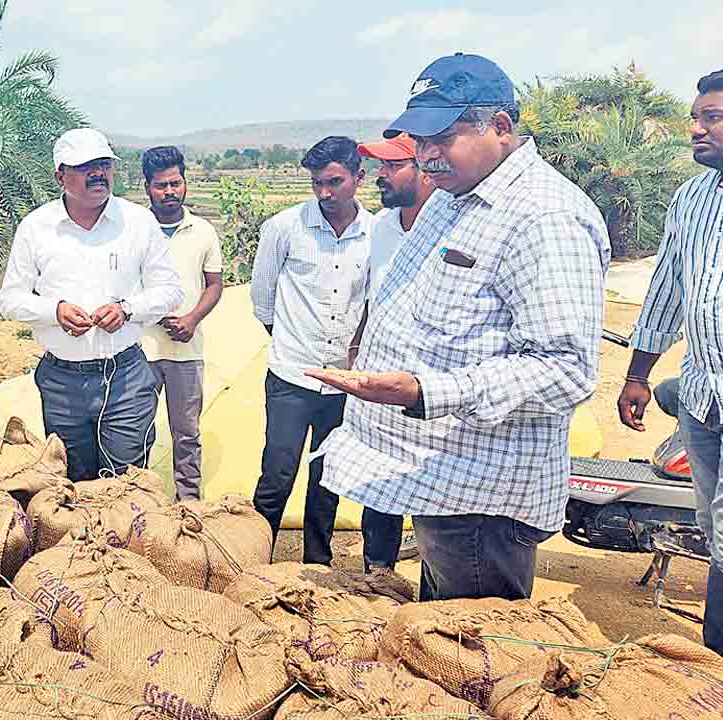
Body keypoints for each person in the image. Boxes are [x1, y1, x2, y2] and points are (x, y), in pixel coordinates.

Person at [309, 53, 610, 602]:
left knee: (474, 653)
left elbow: (565, 370)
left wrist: (429, 391)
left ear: (499, 127)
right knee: (438, 635)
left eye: (441, 139)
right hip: (437, 477)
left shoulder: (543, 217)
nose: (427, 157)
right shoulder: (454, 197)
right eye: (419, 142)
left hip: (480, 494)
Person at [250, 136, 401, 571]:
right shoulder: (284, 228)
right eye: (317, 183)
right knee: (277, 474)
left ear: (359, 177)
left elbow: (376, 300)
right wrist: (295, 345)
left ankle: (317, 561)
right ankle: (256, 559)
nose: (325, 193)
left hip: (346, 383)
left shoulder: (378, 234)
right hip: (291, 378)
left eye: (334, 181)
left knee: (327, 478)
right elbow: (263, 301)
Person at [0, 128, 183, 482]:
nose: (98, 173)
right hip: (62, 382)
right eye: (85, 167)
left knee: (126, 482)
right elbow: (10, 299)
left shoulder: (138, 222)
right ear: (59, 176)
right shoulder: (37, 228)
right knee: (73, 482)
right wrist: (55, 311)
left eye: (103, 164)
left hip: (126, 376)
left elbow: (170, 291)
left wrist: (128, 309)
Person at [617, 68, 723, 654]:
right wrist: (637, 373)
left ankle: (713, 653)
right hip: (703, 398)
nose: (695, 128)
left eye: (712, 118)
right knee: (712, 528)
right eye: (696, 116)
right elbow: (666, 291)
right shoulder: (692, 198)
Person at [139, 145, 224, 501]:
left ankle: (188, 504)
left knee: (186, 433)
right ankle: (135, 503)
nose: (169, 192)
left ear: (185, 182)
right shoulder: (135, 229)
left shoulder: (202, 231)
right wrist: (155, 314)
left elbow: (215, 285)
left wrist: (191, 318)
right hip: (139, 349)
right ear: (147, 187)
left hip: (187, 350)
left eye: (175, 183)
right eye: (161, 185)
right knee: (135, 432)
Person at [347, 133, 436, 368]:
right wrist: (357, 345)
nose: (381, 174)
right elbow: (375, 294)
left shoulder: (453, 229)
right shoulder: (381, 224)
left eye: (394, 165)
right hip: (377, 366)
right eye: (382, 164)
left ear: (426, 171)